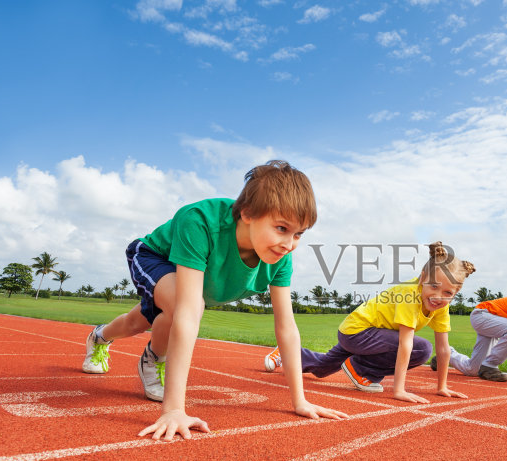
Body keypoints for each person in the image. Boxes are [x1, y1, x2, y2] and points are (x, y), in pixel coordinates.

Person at [81, 160, 348, 441]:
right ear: (247, 213)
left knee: (136, 322)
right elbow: (187, 312)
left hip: (189, 286)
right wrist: (174, 410)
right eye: (281, 228)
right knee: (186, 307)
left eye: (298, 234)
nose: (289, 244)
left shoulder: (280, 256)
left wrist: (300, 401)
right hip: (155, 256)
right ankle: (154, 359)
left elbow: (287, 327)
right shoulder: (199, 222)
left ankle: (100, 336)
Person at [264, 242, 475, 404]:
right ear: (422, 279)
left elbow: (444, 348)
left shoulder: (441, 306)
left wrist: (442, 386)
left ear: (455, 294)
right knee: (422, 349)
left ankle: (287, 353)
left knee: (322, 368)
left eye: (447, 293)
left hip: (371, 336)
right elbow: (406, 343)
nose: (438, 296)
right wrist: (399, 390)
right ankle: (361, 370)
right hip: (358, 331)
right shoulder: (410, 294)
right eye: (434, 286)